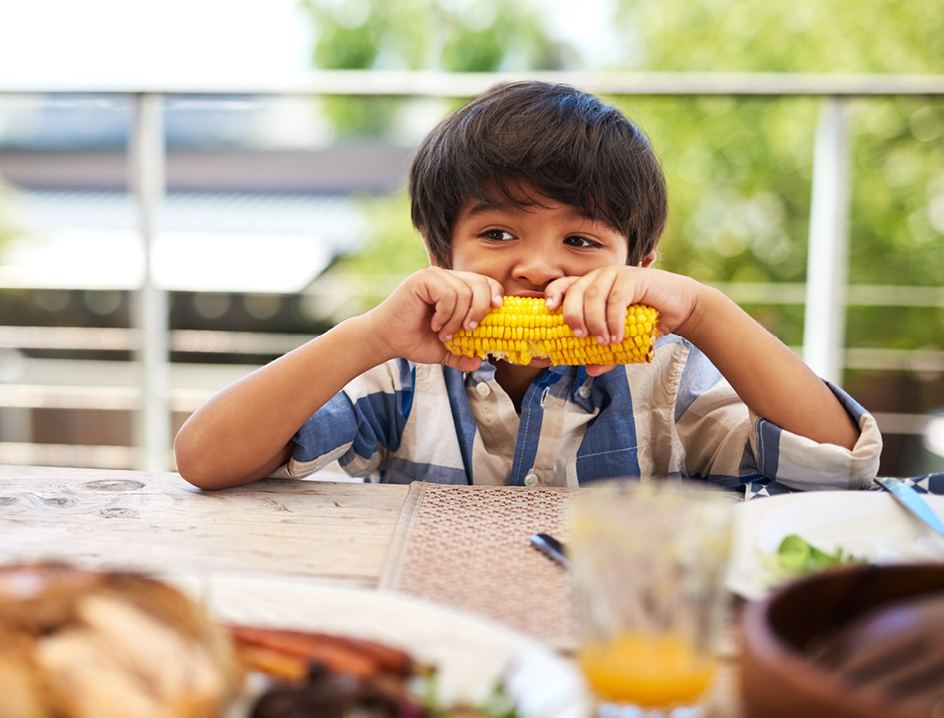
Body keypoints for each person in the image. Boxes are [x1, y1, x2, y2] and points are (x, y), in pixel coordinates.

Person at [174, 81, 882, 491]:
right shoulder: (399, 371)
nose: (538, 268)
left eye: (580, 241)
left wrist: (705, 310)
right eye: (498, 234)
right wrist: (364, 336)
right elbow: (206, 459)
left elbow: (837, 468)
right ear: (437, 253)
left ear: (640, 269)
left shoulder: (668, 377)